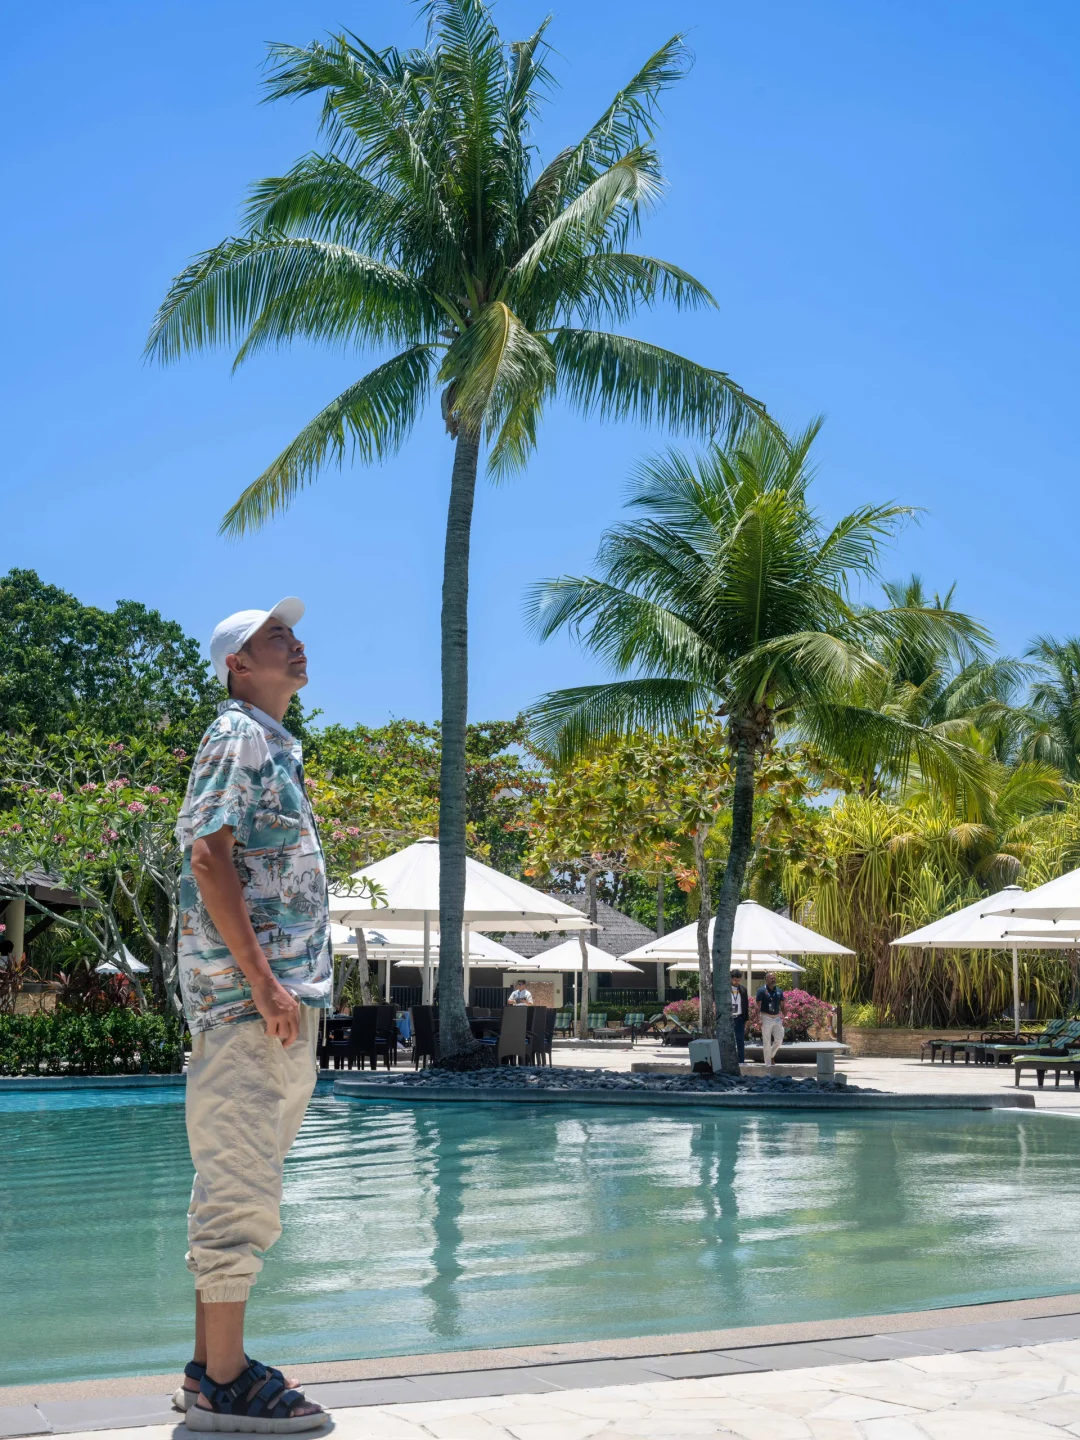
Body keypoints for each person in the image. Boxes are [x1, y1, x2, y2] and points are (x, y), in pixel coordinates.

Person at [174, 597, 329, 1433]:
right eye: (276, 635)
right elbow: (209, 856)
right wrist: (266, 983)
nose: (296, 642)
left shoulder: (270, 742)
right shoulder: (238, 735)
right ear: (238, 663)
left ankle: (210, 1371)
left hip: (268, 1002)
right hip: (250, 1003)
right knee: (240, 1187)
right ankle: (227, 1383)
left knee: (241, 1181)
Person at [756, 972, 786, 1067]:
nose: (773, 979)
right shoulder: (761, 991)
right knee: (767, 1041)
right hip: (766, 1017)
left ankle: (771, 1055)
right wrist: (758, 1019)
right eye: (771, 978)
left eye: (774, 978)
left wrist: (785, 1017)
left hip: (777, 1017)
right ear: (766, 979)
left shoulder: (779, 991)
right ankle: (768, 1065)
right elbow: (757, 1006)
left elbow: (782, 1005)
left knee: (779, 1039)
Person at [729, 968, 749, 1063]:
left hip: (739, 1018)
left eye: (738, 980)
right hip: (728, 1018)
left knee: (740, 1041)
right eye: (735, 980)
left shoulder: (743, 990)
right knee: (728, 1040)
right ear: (731, 978)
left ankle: (741, 1061)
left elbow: (746, 1005)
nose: (737, 982)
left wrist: (746, 1019)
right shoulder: (726, 989)